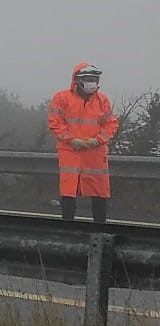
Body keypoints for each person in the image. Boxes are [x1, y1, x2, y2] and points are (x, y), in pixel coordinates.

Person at [48, 62, 118, 223]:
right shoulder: (61, 98)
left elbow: (111, 123)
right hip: (70, 150)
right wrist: (71, 140)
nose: (92, 82)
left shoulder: (102, 100)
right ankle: (68, 226)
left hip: (95, 151)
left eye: (95, 79)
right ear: (78, 80)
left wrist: (97, 140)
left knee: (99, 189)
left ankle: (100, 226)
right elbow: (55, 123)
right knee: (69, 189)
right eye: (88, 79)